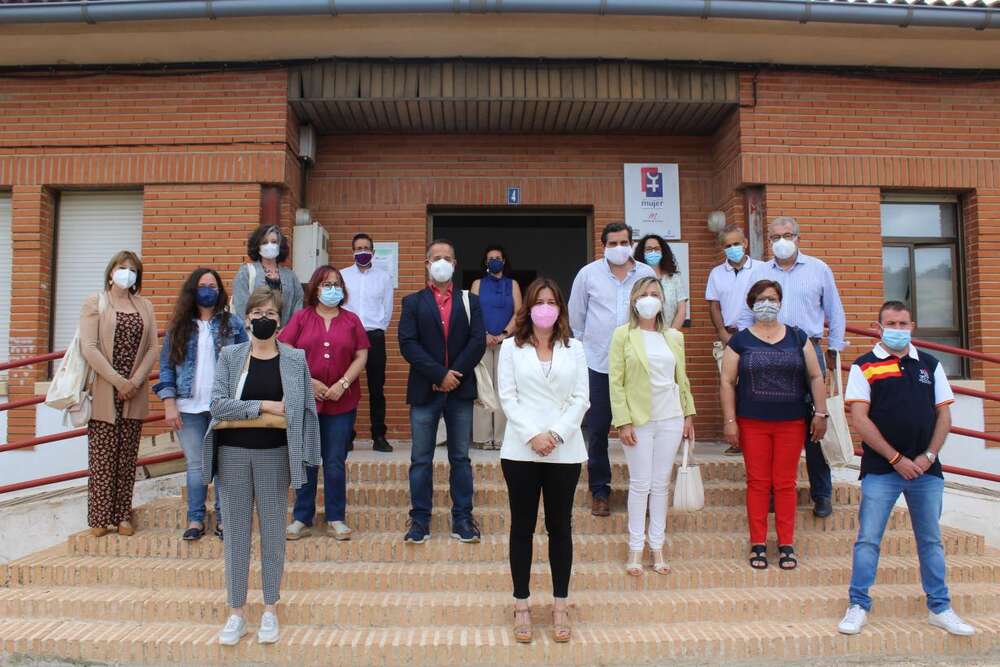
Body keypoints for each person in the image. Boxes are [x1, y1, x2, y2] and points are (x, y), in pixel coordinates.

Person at [837, 301, 974, 637]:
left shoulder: (929, 364)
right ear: (878, 327)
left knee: (931, 541)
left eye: (903, 324)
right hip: (881, 470)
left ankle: (940, 608)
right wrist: (896, 459)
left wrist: (928, 456)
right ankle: (858, 605)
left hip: (926, 472)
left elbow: (944, 415)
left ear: (912, 325)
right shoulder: (864, 366)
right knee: (868, 540)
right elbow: (860, 418)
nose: (897, 330)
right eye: (891, 324)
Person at [205, 286, 320, 646]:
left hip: (275, 455)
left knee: (273, 535)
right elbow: (217, 405)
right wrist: (266, 406)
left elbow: (304, 410)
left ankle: (270, 609)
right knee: (236, 536)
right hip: (233, 455)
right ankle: (236, 613)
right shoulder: (231, 356)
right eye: (257, 313)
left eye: (270, 313)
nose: (263, 319)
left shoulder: (295, 359)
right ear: (246, 318)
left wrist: (308, 455)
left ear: (280, 321)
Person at [496, 277, 589, 644]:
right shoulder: (510, 348)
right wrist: (533, 435)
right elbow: (508, 397)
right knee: (521, 527)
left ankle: (560, 605)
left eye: (551, 302)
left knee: (559, 527)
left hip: (564, 451)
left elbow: (581, 398)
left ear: (560, 308)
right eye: (539, 301)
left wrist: (556, 435)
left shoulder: (575, 348)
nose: (545, 308)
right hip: (522, 449)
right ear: (528, 308)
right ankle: (521, 604)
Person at [739, 216, 846, 518]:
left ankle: (821, 493)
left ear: (798, 237)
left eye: (787, 235)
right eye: (775, 237)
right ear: (768, 241)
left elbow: (835, 311)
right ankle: (772, 493)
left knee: (816, 423)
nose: (781, 241)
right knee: (771, 421)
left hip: (808, 348)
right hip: (766, 351)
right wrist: (745, 346)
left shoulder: (819, 269)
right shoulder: (759, 272)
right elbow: (745, 313)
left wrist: (834, 351)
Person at [721, 279, 827, 570]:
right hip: (752, 422)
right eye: (760, 299)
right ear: (751, 304)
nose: (766, 304)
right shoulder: (740, 341)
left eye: (772, 298)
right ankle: (757, 543)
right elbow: (727, 382)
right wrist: (730, 421)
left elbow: (816, 376)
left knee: (785, 483)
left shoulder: (797, 337)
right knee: (757, 483)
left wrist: (821, 413)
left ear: (780, 302)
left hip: (791, 421)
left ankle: (786, 544)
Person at [398, 238, 486, 545]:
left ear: (455, 264)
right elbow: (408, 343)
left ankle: (462, 518)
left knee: (460, 458)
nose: (442, 262)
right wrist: (438, 374)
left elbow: (477, 341)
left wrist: (452, 376)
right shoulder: (412, 302)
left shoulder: (469, 301)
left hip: (459, 390)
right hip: (425, 390)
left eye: (447, 258)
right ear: (426, 264)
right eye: (436, 257)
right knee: (421, 459)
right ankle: (420, 519)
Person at [609, 277, 696, 576]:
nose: (649, 298)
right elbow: (615, 382)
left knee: (660, 485)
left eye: (655, 294)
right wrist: (622, 421)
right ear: (634, 300)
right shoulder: (623, 335)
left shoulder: (673, 337)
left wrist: (688, 414)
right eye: (644, 294)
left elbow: (681, 378)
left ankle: (657, 546)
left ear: (662, 300)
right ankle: (635, 548)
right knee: (640, 484)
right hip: (638, 420)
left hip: (671, 417)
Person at [568, 221, 655, 517]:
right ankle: (600, 491)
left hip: (638, 365)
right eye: (613, 243)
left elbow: (656, 313)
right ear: (603, 245)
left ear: (632, 244)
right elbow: (576, 319)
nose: (619, 248)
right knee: (597, 431)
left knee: (641, 430)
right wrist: (582, 357)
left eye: (624, 243)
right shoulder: (587, 275)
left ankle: (643, 492)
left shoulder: (645, 274)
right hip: (598, 365)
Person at [154, 268, 247, 541]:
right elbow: (166, 367)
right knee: (196, 465)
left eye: (213, 286)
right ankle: (195, 519)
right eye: (203, 285)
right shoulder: (180, 327)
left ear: (220, 291)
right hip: (188, 407)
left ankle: (224, 519)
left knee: (224, 465)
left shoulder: (233, 324)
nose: (208, 290)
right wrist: (169, 403)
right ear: (193, 290)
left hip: (223, 405)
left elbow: (247, 361)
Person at [282, 265, 370, 541]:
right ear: (315, 288)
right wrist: (309, 382)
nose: (332, 289)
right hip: (307, 402)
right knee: (307, 459)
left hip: (342, 403)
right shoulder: (301, 318)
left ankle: (336, 518)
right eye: (326, 284)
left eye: (336, 284)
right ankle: (301, 517)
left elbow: (361, 355)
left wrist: (342, 384)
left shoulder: (352, 320)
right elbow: (285, 350)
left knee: (334, 461)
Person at [79, 250, 158, 537]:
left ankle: (122, 515)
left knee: (127, 457)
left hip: (134, 392)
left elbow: (152, 348)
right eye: (122, 267)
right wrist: (118, 382)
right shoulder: (95, 302)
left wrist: (134, 382)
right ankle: (99, 519)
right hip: (105, 388)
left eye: (133, 269)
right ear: (111, 272)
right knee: (102, 457)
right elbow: (89, 348)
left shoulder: (145, 306)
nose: (127, 273)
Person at [705, 224, 759, 455]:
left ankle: (754, 437)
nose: (733, 248)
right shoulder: (716, 274)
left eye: (736, 243)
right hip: (730, 337)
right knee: (731, 388)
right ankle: (737, 440)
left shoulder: (762, 269)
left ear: (745, 243)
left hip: (757, 336)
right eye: (728, 246)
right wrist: (722, 333)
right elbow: (714, 306)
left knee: (755, 388)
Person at [341, 232, 394, 453]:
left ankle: (379, 436)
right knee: (346, 385)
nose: (362, 251)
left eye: (366, 248)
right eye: (358, 248)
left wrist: (378, 327)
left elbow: (387, 308)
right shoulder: (343, 276)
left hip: (374, 336)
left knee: (376, 388)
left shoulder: (384, 277)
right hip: (348, 336)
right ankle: (346, 435)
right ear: (353, 251)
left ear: (373, 251)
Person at [471, 244, 522, 450]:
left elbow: (519, 313)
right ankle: (483, 437)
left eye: (498, 258)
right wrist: (484, 334)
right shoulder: (477, 284)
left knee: (504, 388)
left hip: (506, 343)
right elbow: (472, 311)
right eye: (491, 258)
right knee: (483, 388)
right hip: (481, 342)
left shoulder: (513, 284)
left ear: (504, 261)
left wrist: (503, 334)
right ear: (485, 262)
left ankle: (501, 437)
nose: (494, 261)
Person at [231, 224, 304, 327]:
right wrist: (253, 328)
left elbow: (298, 304)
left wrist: (289, 330)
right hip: (253, 332)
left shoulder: (290, 276)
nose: (269, 245)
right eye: (264, 242)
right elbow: (241, 305)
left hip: (284, 333)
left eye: (274, 242)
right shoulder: (246, 272)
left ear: (280, 245)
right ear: (257, 246)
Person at [634, 234, 687, 330]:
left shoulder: (674, 278)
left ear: (663, 252)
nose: (653, 252)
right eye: (649, 249)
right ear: (642, 253)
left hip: (669, 333)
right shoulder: (636, 278)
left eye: (657, 249)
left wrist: (671, 333)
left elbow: (682, 310)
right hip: (642, 334)